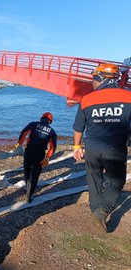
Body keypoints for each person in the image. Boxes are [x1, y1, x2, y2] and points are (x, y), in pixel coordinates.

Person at [73, 63, 131, 232]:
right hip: (116, 149)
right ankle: (102, 211)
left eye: (93, 79)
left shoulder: (86, 99)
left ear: (100, 78)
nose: (92, 83)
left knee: (93, 179)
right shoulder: (128, 97)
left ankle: (96, 210)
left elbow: (78, 127)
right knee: (116, 181)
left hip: (92, 148)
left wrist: (77, 146)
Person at [14, 112, 57, 203]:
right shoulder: (52, 132)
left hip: (29, 151)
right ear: (49, 122)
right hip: (40, 154)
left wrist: (19, 143)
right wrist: (47, 158)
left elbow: (24, 132)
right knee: (35, 175)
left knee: (27, 170)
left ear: (41, 118)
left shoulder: (34, 124)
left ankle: (27, 188)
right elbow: (53, 147)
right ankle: (29, 196)